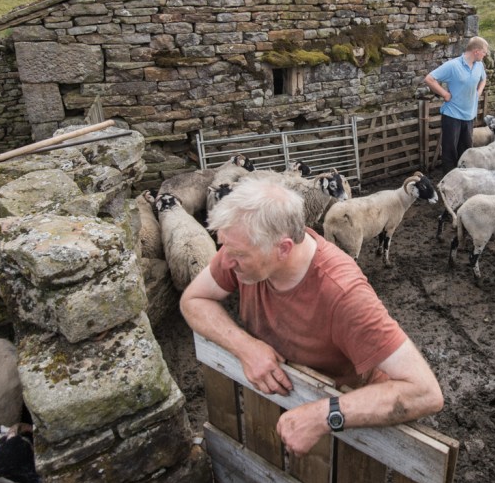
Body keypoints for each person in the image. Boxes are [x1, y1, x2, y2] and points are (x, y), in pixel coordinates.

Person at [179, 178, 444, 457]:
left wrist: (324, 416)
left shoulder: (343, 293)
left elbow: (425, 392)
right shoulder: (239, 249)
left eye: (238, 255)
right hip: (285, 403)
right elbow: (193, 300)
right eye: (225, 248)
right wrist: (245, 347)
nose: (227, 261)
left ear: (282, 248)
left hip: (350, 423)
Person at [423, 36, 489, 171]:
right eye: (484, 51)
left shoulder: (479, 65)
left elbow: (483, 79)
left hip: (469, 116)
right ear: (476, 51)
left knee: (466, 152)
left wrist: (478, 92)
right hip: (452, 116)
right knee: (450, 151)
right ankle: (448, 182)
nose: (485, 54)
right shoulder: (453, 65)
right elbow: (429, 79)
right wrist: (445, 94)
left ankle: (463, 180)